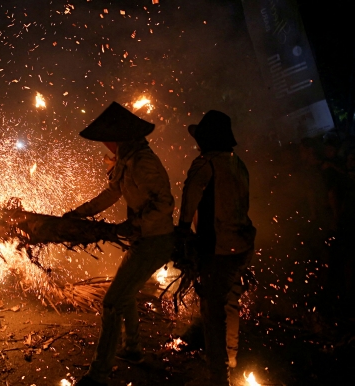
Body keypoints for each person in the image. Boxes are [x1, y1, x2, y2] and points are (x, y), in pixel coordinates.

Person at [67, 102, 175, 386]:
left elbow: (165, 204)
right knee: (124, 295)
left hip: (155, 240)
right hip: (143, 239)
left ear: (119, 137)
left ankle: (99, 375)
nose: (104, 144)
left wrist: (134, 224)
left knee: (113, 302)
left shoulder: (143, 161)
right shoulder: (127, 160)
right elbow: (111, 193)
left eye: (106, 138)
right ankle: (133, 350)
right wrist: (80, 213)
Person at [179, 110, 256, 386]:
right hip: (243, 245)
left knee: (213, 315)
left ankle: (218, 377)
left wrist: (181, 236)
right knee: (231, 304)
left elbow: (188, 203)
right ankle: (231, 358)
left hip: (218, 250)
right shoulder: (239, 164)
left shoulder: (204, 164)